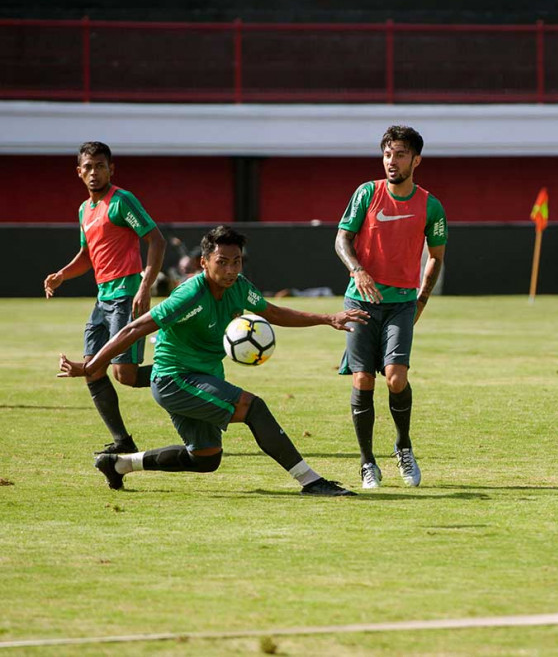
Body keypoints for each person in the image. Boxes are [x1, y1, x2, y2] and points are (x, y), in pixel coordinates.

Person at [58, 226, 368, 497]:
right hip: (174, 379)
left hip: (202, 376)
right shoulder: (190, 294)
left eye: (237, 261)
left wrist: (328, 318)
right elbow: (135, 327)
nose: (231, 269)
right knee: (253, 407)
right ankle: (311, 481)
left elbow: (273, 313)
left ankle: (119, 464)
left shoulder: (240, 288)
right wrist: (90, 366)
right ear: (204, 262)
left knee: (206, 458)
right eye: (223, 262)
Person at [334, 125, 447, 489]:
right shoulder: (367, 193)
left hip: (401, 303)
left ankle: (403, 446)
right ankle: (367, 462)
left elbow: (437, 256)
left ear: (416, 160)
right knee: (363, 378)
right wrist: (357, 270)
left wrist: (422, 299)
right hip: (360, 301)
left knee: (396, 378)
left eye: (399, 154)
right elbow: (341, 239)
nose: (391, 161)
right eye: (387, 154)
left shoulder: (431, 205)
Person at [44, 141, 166, 455]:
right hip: (103, 300)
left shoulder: (122, 201)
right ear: (79, 172)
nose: (94, 172)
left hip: (126, 297)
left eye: (100, 166)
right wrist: (62, 274)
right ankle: (123, 442)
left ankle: (183, 369)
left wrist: (144, 287)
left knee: (123, 375)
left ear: (111, 169)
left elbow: (156, 240)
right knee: (93, 368)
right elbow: (87, 255)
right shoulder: (84, 209)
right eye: (88, 167)